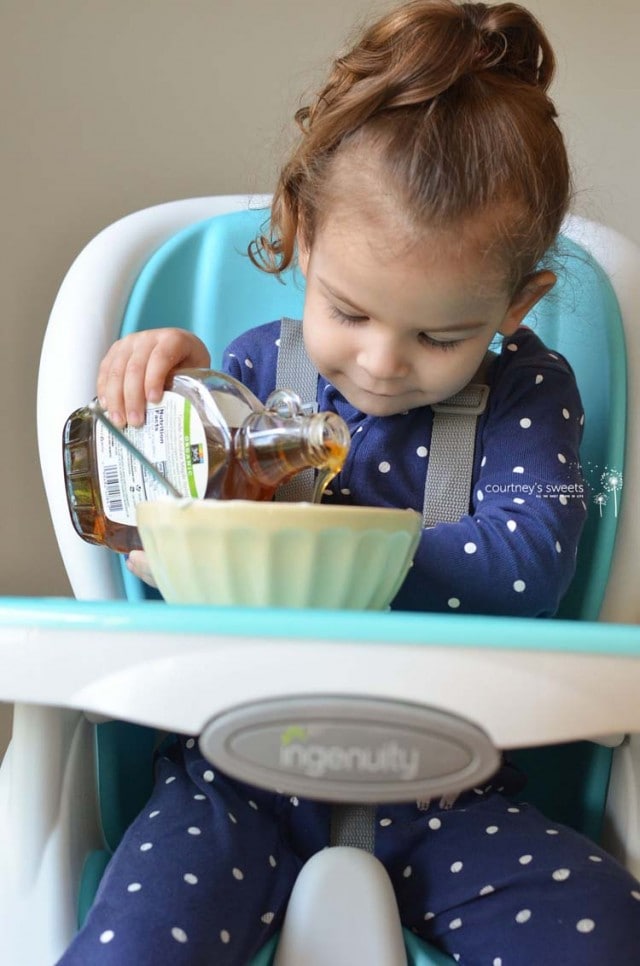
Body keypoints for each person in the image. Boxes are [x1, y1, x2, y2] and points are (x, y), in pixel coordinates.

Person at [57, 1, 640, 963]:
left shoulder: (528, 392)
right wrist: (172, 402)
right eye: (349, 311)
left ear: (518, 301)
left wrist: (299, 544)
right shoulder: (249, 373)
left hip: (451, 796)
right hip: (232, 781)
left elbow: (525, 565)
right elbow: (169, 560)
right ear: (299, 234)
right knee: (132, 947)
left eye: (441, 336)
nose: (380, 361)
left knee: (607, 933)